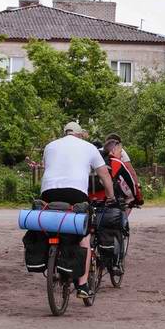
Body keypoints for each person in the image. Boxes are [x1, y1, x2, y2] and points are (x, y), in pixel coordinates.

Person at [41, 121, 116, 299]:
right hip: (75, 194)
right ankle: (82, 285)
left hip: (48, 193)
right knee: (85, 236)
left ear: (65, 133)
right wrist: (110, 195)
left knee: (52, 225)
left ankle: (51, 258)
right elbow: (104, 174)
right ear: (80, 134)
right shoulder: (89, 147)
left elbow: (48, 168)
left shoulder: (49, 146)